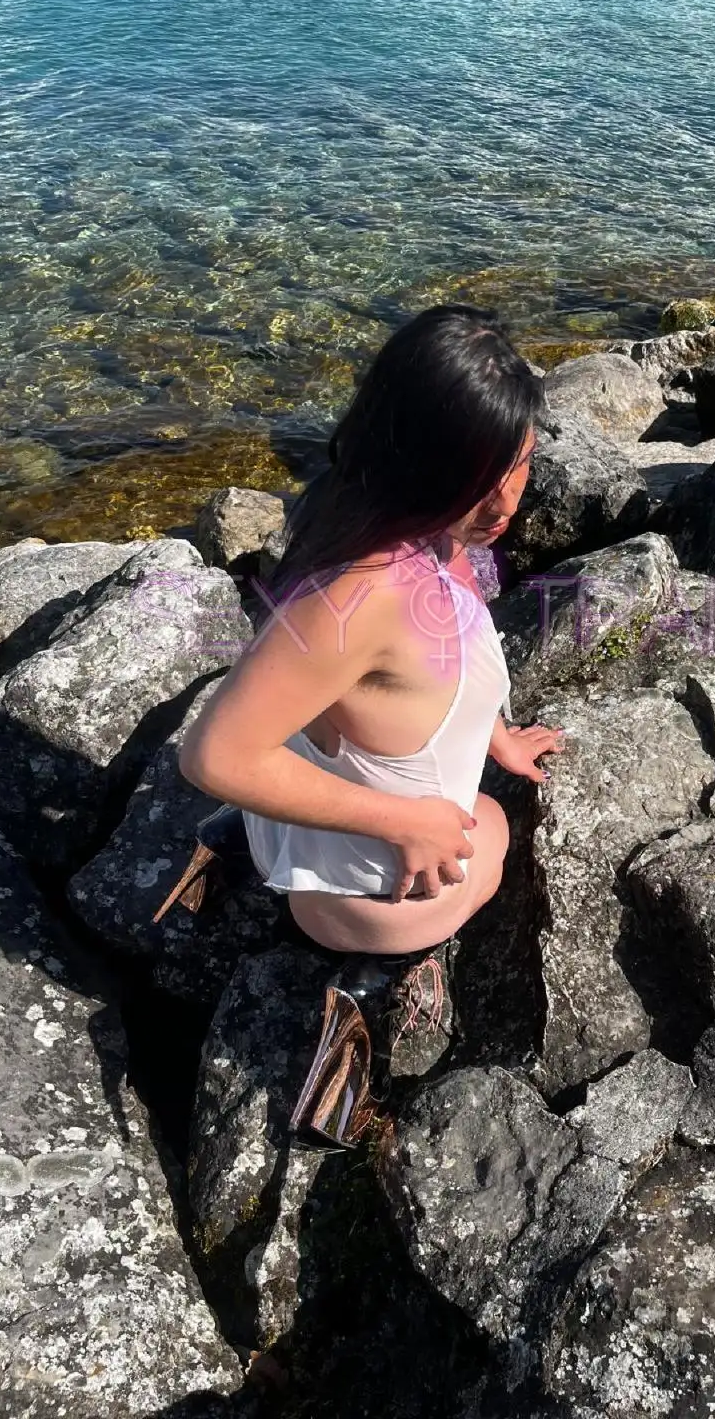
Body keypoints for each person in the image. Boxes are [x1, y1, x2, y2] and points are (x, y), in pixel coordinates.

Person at [175, 304, 562, 1146]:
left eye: (519, 465)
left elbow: (459, 646)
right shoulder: (363, 591)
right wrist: (405, 820)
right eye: (479, 478)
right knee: (491, 833)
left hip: (310, 825)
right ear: (420, 463)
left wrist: (494, 733)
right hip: (361, 893)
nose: (504, 502)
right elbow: (212, 753)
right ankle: (363, 996)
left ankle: (235, 842)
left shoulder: (404, 522)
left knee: (482, 805)